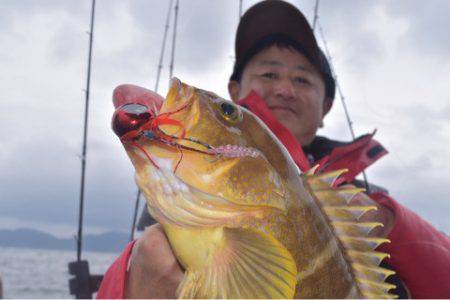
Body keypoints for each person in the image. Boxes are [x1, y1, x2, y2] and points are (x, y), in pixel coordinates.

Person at [97, 1, 450, 298]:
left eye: (302, 79)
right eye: (269, 74)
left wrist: (393, 222)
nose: (284, 89)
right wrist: (127, 285)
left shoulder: (368, 200)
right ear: (236, 90)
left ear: (326, 105)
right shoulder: (174, 191)